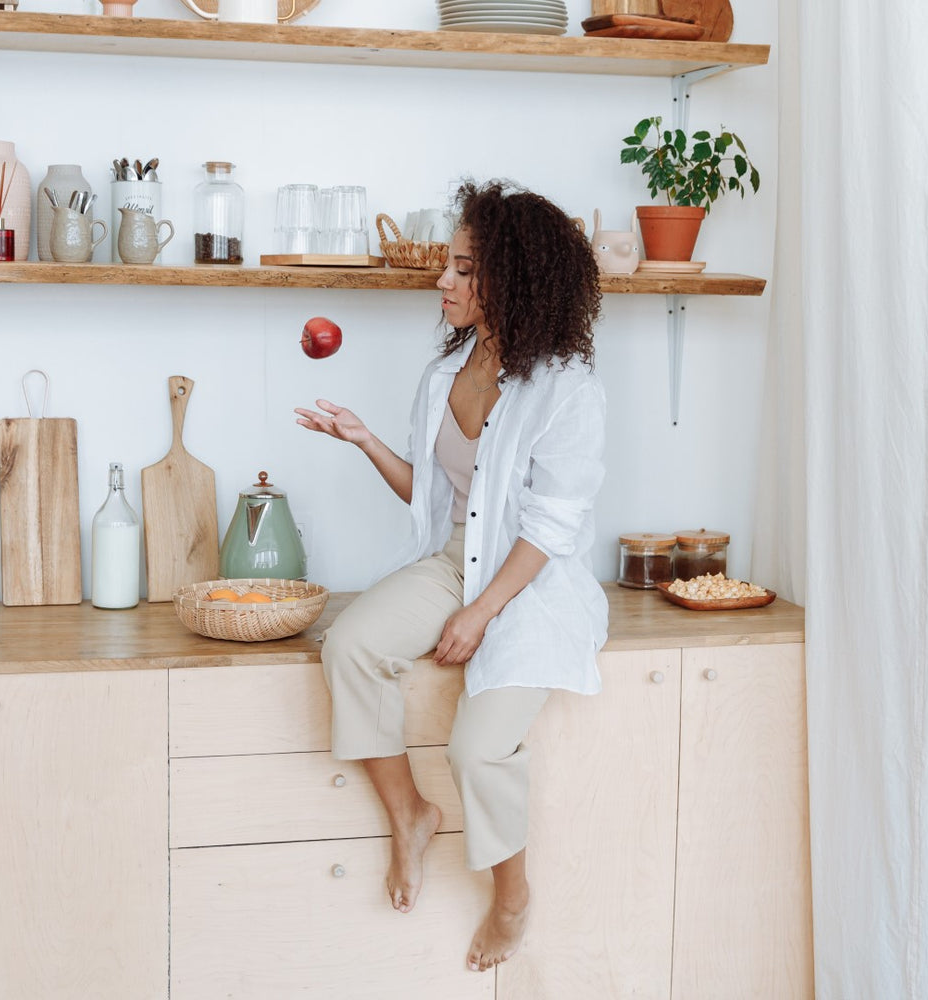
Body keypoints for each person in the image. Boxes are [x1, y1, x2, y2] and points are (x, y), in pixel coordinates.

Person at [294, 179, 608, 973]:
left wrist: (482, 612)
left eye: (464, 269)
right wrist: (365, 441)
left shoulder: (567, 389)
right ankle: (410, 814)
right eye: (450, 265)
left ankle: (512, 897)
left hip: (529, 584)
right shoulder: (447, 374)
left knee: (477, 751)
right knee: (350, 645)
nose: (444, 281)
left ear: (514, 278)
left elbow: (550, 528)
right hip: (456, 560)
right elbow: (435, 498)